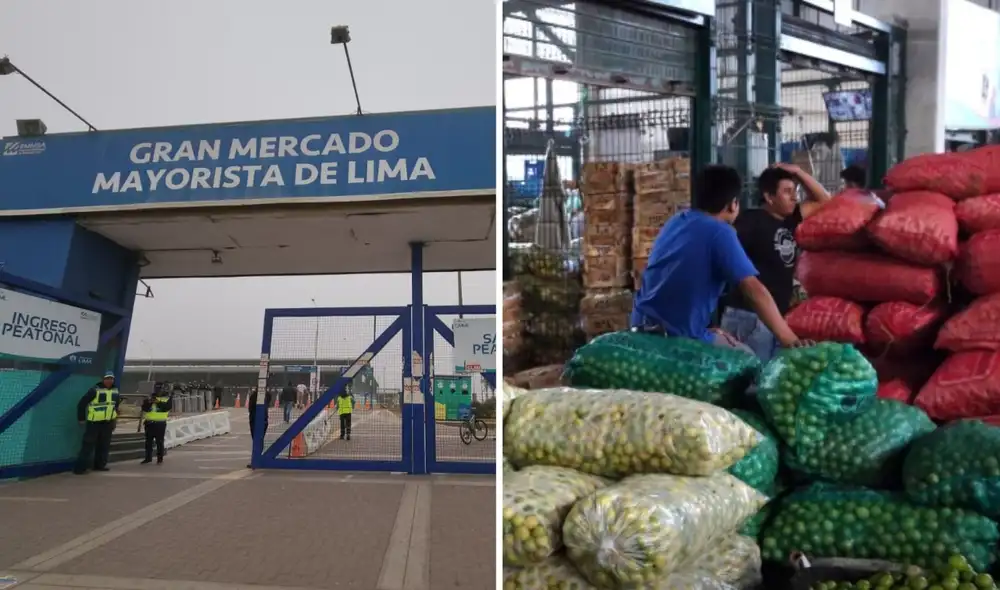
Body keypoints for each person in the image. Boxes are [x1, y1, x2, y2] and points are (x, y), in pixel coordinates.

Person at [631, 164, 806, 351]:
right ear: (733, 204)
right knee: (746, 359)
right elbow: (754, 290)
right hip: (678, 337)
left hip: (641, 324)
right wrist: (790, 340)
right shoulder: (719, 232)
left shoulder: (677, 221)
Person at [720, 164, 831, 362]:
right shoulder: (750, 221)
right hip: (748, 317)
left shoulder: (791, 220)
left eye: (795, 191)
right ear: (769, 197)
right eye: (787, 192)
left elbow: (824, 201)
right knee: (748, 381)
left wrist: (798, 172)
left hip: (776, 319)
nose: (795, 197)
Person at [74, 372, 121, 475]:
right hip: (94, 422)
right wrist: (81, 418)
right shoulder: (95, 389)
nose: (109, 381)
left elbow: (115, 406)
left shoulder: (115, 391)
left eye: (111, 379)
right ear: (103, 379)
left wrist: (114, 420)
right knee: (88, 445)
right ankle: (80, 468)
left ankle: (99, 465)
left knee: (104, 445)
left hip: (108, 423)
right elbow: (82, 404)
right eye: (107, 378)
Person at [140, 390, 172, 464]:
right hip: (149, 423)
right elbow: (144, 408)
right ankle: (148, 458)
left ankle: (160, 458)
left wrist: (158, 402)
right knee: (148, 442)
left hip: (160, 423)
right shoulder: (149, 398)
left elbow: (166, 408)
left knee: (159, 442)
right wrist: (150, 402)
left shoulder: (167, 398)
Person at [247, 386, 273, 469]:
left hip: (254, 419)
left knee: (255, 439)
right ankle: (258, 457)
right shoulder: (267, 395)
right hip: (264, 419)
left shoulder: (253, 396)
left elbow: (250, 408)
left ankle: (256, 459)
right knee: (260, 439)